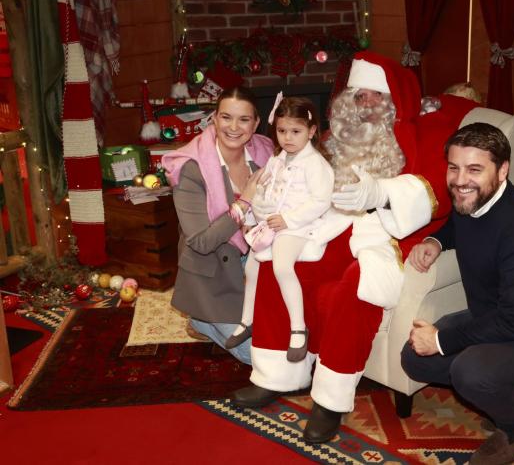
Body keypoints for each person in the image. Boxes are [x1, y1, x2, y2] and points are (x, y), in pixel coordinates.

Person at [231, 52, 479, 444]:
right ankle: (275, 375)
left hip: (384, 234)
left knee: (355, 288)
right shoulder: (334, 136)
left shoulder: (424, 136)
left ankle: (330, 400)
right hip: (327, 224)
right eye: (358, 95)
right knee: (276, 261)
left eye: (375, 95)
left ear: (394, 101)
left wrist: (380, 192)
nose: (365, 104)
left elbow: (438, 190)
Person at [401, 122, 514, 465]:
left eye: (474, 169)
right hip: (495, 315)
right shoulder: (472, 197)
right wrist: (436, 241)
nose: (460, 180)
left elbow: (513, 323)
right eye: (454, 167)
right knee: (413, 358)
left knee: (470, 373)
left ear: (502, 171)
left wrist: (440, 340)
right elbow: (458, 223)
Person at [162, 85, 273, 362]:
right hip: (214, 273)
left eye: (244, 119)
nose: (233, 127)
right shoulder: (190, 168)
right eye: (226, 117)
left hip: (258, 260)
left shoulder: (265, 154)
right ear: (214, 119)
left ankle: (212, 320)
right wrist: (244, 202)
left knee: (287, 338)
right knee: (258, 356)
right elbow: (201, 242)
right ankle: (202, 319)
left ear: (256, 123)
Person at [224, 96, 335, 364]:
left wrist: (289, 219)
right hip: (272, 223)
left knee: (282, 266)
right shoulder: (277, 159)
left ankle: (298, 328)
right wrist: (254, 213)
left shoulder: (315, 164)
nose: (287, 138)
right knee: (251, 267)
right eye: (282, 131)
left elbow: (321, 201)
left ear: (311, 131)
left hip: (299, 225)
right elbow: (262, 188)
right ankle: (247, 320)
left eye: (296, 131)